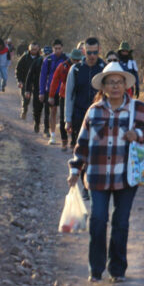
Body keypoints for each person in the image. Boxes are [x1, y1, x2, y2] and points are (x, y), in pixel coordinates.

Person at [67, 62, 144, 283]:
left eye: (119, 82)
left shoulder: (138, 109)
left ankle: (117, 270)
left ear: (126, 85)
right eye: (111, 83)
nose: (116, 86)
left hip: (126, 177)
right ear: (104, 87)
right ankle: (96, 270)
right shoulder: (94, 111)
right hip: (97, 176)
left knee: (121, 222)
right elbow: (82, 143)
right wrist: (75, 169)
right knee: (98, 220)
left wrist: (137, 133)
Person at [65, 37, 106, 200]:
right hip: (79, 115)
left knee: (96, 152)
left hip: (99, 117)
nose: (92, 55)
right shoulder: (75, 70)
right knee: (81, 152)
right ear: (84, 52)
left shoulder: (104, 68)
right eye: (89, 52)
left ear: (99, 50)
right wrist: (67, 119)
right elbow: (69, 95)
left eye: (95, 52)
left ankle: (93, 185)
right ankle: (85, 185)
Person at [49, 48, 83, 151]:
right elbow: (55, 80)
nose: (76, 62)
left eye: (78, 60)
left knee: (76, 120)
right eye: (74, 60)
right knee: (64, 119)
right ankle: (64, 141)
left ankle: (74, 142)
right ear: (71, 58)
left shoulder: (83, 67)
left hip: (78, 96)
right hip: (64, 95)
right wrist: (51, 95)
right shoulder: (62, 66)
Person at [40, 39, 68, 143]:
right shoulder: (48, 60)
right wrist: (41, 92)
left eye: (59, 48)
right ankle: (52, 135)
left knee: (64, 114)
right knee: (53, 112)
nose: (57, 50)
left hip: (64, 90)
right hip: (51, 89)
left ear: (62, 48)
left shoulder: (66, 59)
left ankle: (65, 134)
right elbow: (43, 76)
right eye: (55, 49)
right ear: (53, 49)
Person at [16, 43, 42, 119]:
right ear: (29, 49)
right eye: (32, 49)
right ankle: (24, 110)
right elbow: (18, 70)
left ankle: (36, 116)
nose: (33, 51)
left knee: (37, 100)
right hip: (25, 81)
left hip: (36, 82)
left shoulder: (41, 59)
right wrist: (19, 80)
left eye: (35, 49)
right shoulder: (24, 58)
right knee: (26, 98)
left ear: (38, 49)